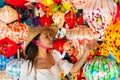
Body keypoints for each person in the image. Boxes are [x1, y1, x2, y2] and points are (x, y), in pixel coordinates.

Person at [19, 26, 98, 80]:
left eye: (50, 35)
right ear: (36, 42)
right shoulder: (28, 66)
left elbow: (72, 70)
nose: (51, 38)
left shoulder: (54, 56)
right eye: (46, 36)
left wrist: (87, 51)